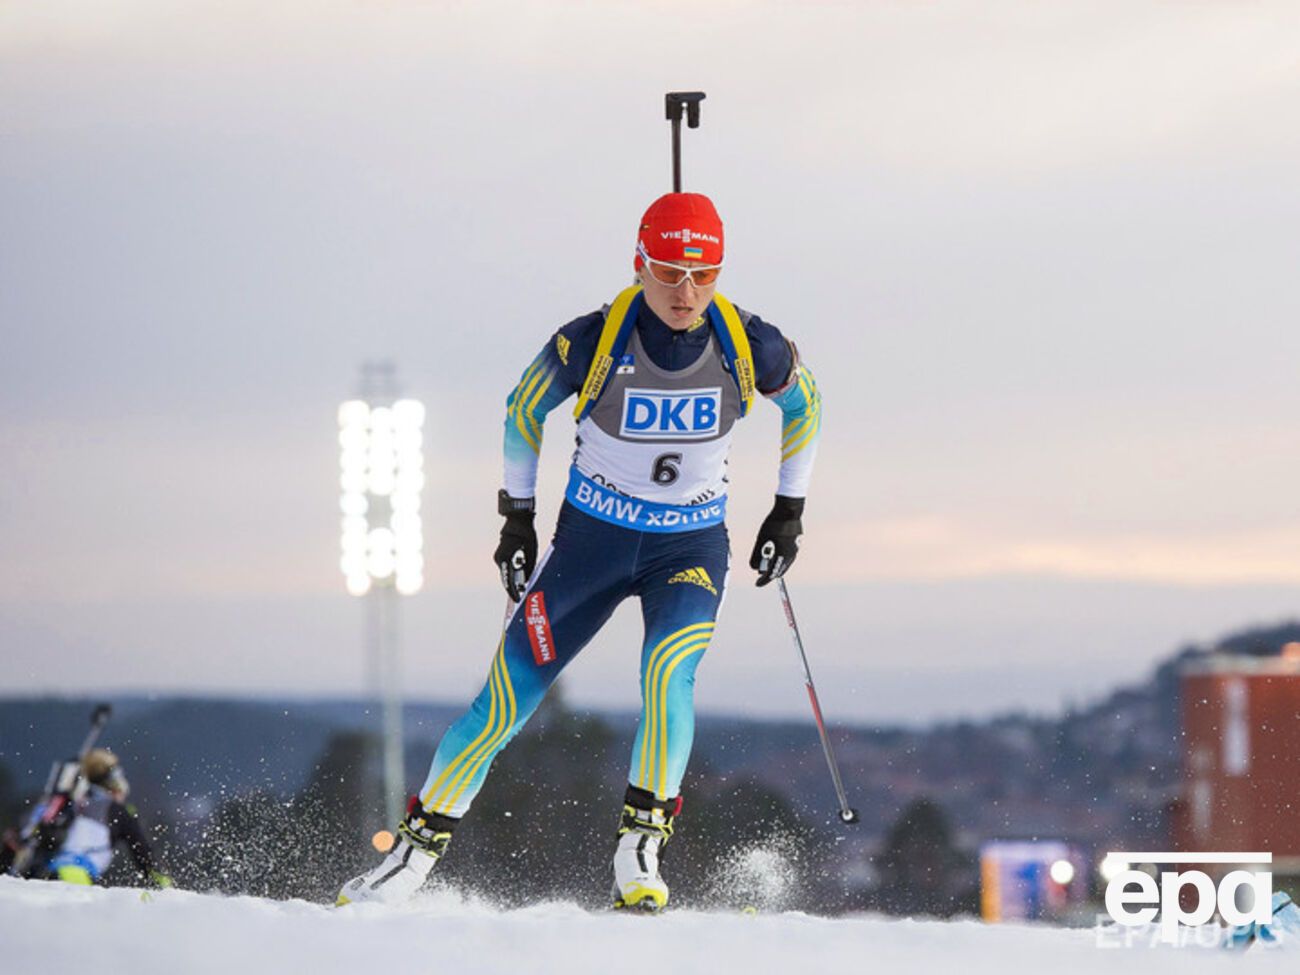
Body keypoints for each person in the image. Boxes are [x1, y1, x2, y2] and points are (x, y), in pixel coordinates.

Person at [338, 192, 822, 912]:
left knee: (668, 674)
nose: (685, 292)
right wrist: (517, 519)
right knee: (504, 700)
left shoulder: (751, 343)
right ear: (638, 263)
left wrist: (788, 509)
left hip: (687, 547)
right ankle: (411, 857)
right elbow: (522, 408)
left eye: (704, 273)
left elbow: (806, 404)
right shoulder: (594, 338)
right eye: (667, 271)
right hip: (590, 547)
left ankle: (641, 846)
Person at [44, 748, 169, 887]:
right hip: (77, 878)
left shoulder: (74, 802)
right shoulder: (117, 810)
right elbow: (142, 852)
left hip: (48, 873)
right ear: (111, 780)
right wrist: (163, 883)